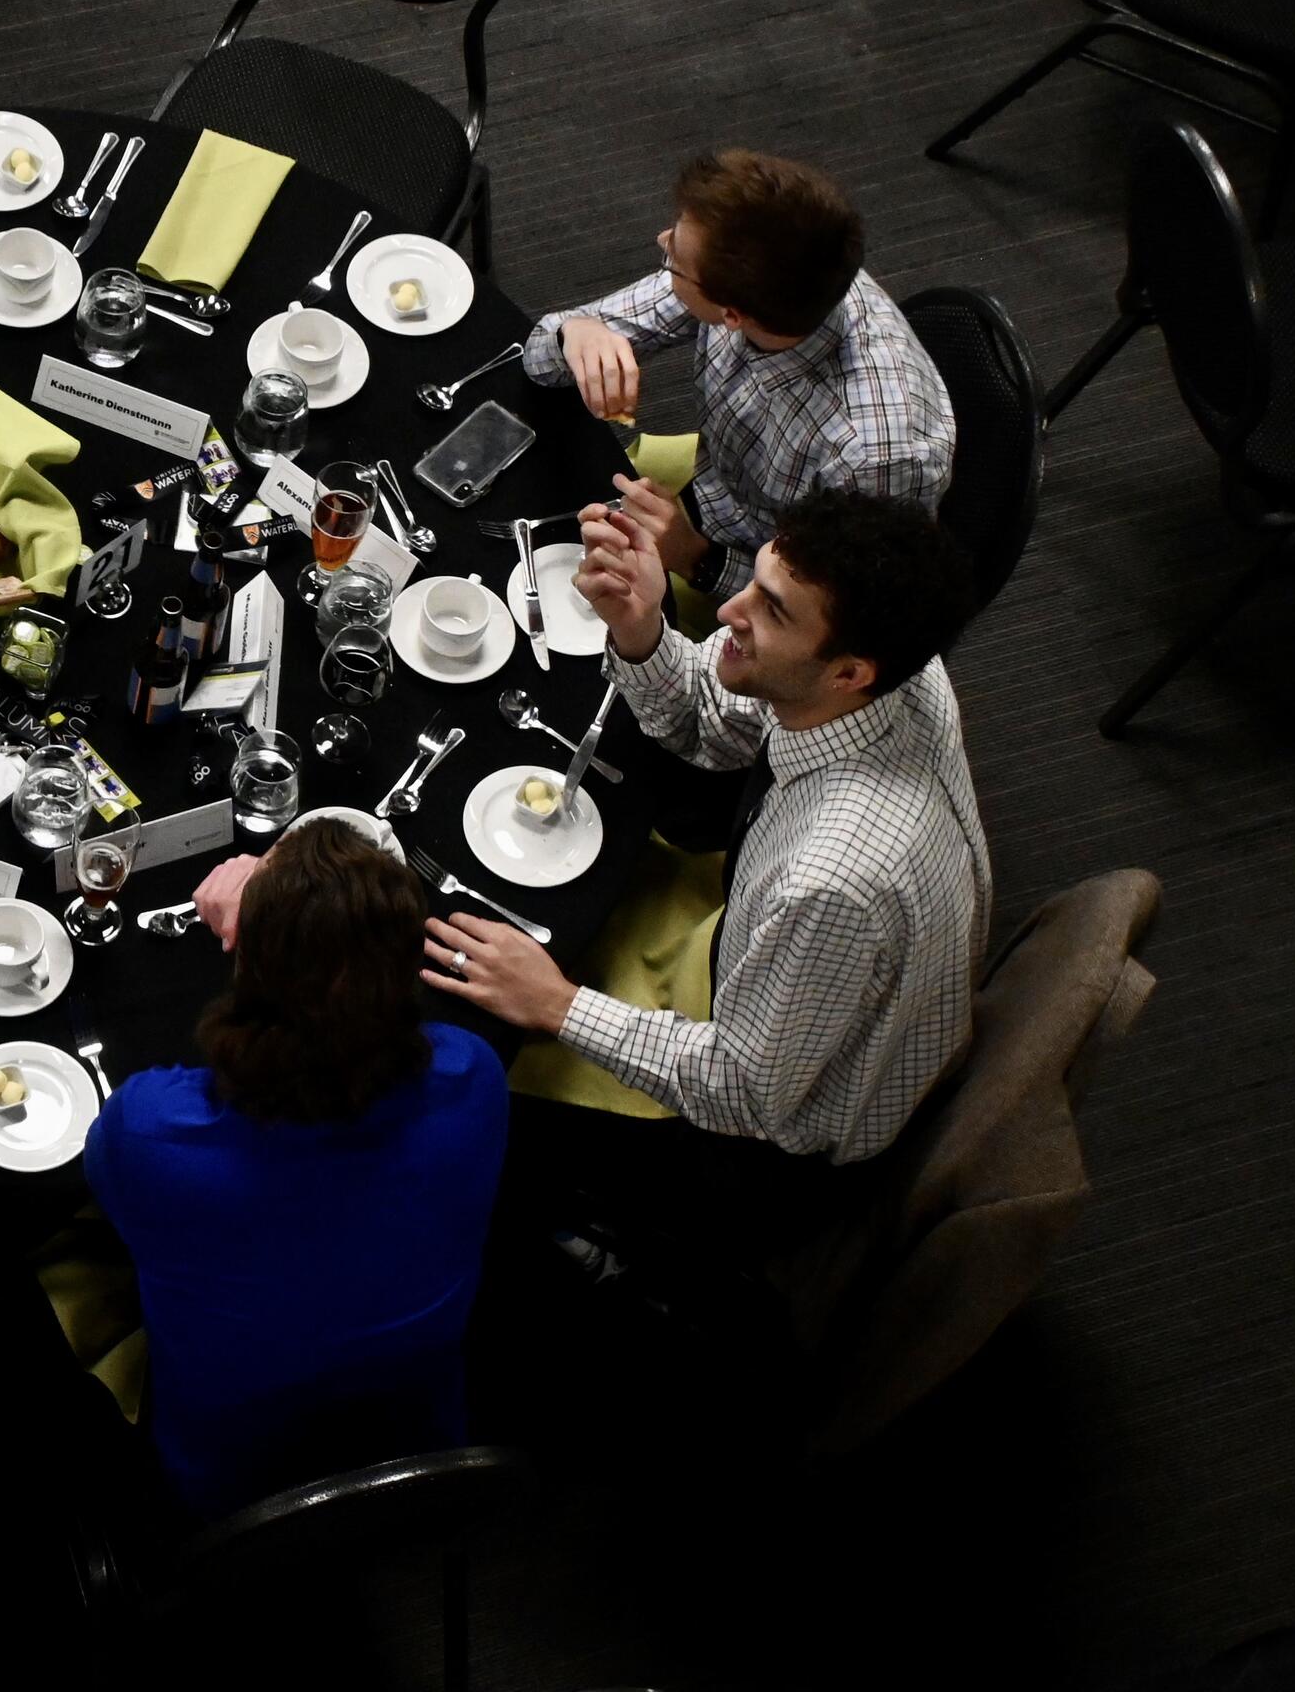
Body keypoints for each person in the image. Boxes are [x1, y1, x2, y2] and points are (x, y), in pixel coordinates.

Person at [426, 489, 990, 1252]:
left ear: (849, 672)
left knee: (452, 1101)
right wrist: (641, 631)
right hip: (790, 995)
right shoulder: (891, 677)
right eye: (754, 582)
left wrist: (558, 1004)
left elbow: (744, 1092)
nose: (729, 610)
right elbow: (722, 720)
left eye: (774, 611)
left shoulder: (834, 882)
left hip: (768, 1152)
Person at [91, 823, 508, 1516]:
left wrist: (268, 926)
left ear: (245, 969)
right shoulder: (477, 1080)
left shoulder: (151, 1136)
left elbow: (116, 1198)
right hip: (421, 1471)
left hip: (223, 1501)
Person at [523, 148, 955, 618]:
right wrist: (577, 332)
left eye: (674, 260)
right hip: (716, 480)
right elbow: (539, 357)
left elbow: (835, 618)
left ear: (731, 315)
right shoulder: (777, 269)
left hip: (758, 569)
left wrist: (694, 557)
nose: (662, 240)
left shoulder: (873, 460)